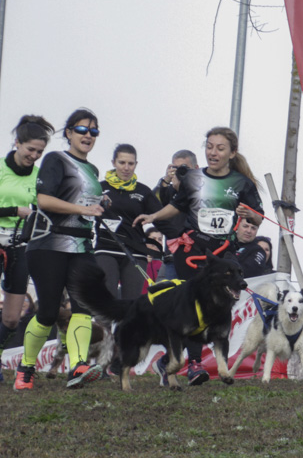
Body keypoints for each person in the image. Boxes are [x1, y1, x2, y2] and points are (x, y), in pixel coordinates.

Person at [133, 127, 263, 386]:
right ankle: (193, 363)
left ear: (232, 153)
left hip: (222, 253)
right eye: (210, 147)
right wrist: (153, 217)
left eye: (220, 148)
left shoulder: (242, 183)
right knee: (192, 306)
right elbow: (176, 206)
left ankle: (172, 361)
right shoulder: (192, 178)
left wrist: (248, 213)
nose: (213, 153)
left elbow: (258, 217)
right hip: (191, 249)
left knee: (221, 305)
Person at [15, 108, 107, 390]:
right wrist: (84, 207)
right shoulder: (56, 159)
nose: (87, 136)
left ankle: (77, 366)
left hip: (81, 245)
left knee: (83, 308)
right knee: (48, 313)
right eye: (81, 130)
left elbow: (86, 206)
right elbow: (44, 200)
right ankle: (26, 368)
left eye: (93, 131)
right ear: (68, 133)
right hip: (48, 244)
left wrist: (101, 205)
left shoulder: (92, 170)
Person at [0, 116, 53, 364]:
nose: (34, 155)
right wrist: (13, 211)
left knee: (11, 319)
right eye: (30, 149)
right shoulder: (1, 168)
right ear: (17, 143)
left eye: (40, 152)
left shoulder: (40, 176)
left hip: (20, 246)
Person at [95, 144, 162, 300]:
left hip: (135, 251)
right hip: (106, 249)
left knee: (131, 305)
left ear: (136, 164)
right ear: (113, 163)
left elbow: (162, 216)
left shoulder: (143, 191)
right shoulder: (99, 188)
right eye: (122, 163)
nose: (126, 168)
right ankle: (103, 326)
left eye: (130, 164)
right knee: (105, 301)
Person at [152, 149, 198, 280]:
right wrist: (166, 180)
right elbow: (151, 204)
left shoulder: (203, 190)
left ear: (196, 168)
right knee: (169, 297)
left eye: (185, 168)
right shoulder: (169, 190)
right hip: (172, 257)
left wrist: (182, 190)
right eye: (176, 168)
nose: (181, 172)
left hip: (196, 257)